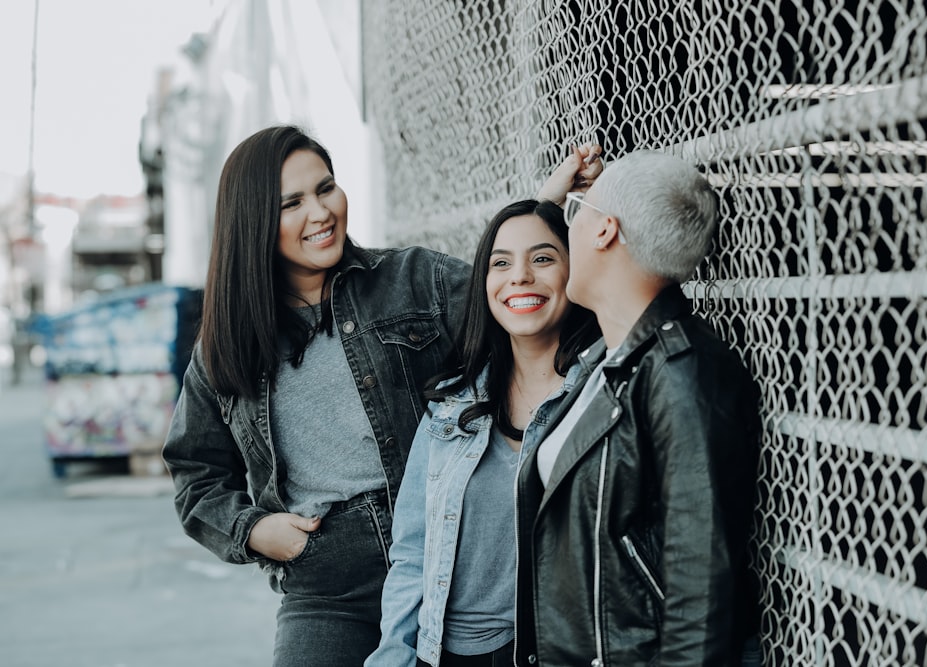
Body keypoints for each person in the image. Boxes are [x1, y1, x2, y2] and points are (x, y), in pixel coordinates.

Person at [161, 125, 471, 667]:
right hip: (328, 583)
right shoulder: (227, 346)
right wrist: (255, 530)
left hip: (448, 550)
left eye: (326, 188)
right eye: (292, 203)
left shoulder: (415, 279)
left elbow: (514, 303)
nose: (321, 212)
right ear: (254, 222)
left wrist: (541, 212)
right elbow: (195, 473)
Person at [515, 150, 762, 666]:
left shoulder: (682, 376)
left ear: (604, 231)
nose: (567, 224)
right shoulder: (605, 359)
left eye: (576, 210)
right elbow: (502, 294)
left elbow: (701, 592)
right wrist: (546, 205)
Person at [364, 147, 603, 667]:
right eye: (501, 264)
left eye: (543, 259)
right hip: (444, 654)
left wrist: (575, 207)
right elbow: (412, 553)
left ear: (575, 271)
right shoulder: (453, 404)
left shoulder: (601, 394)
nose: (518, 277)